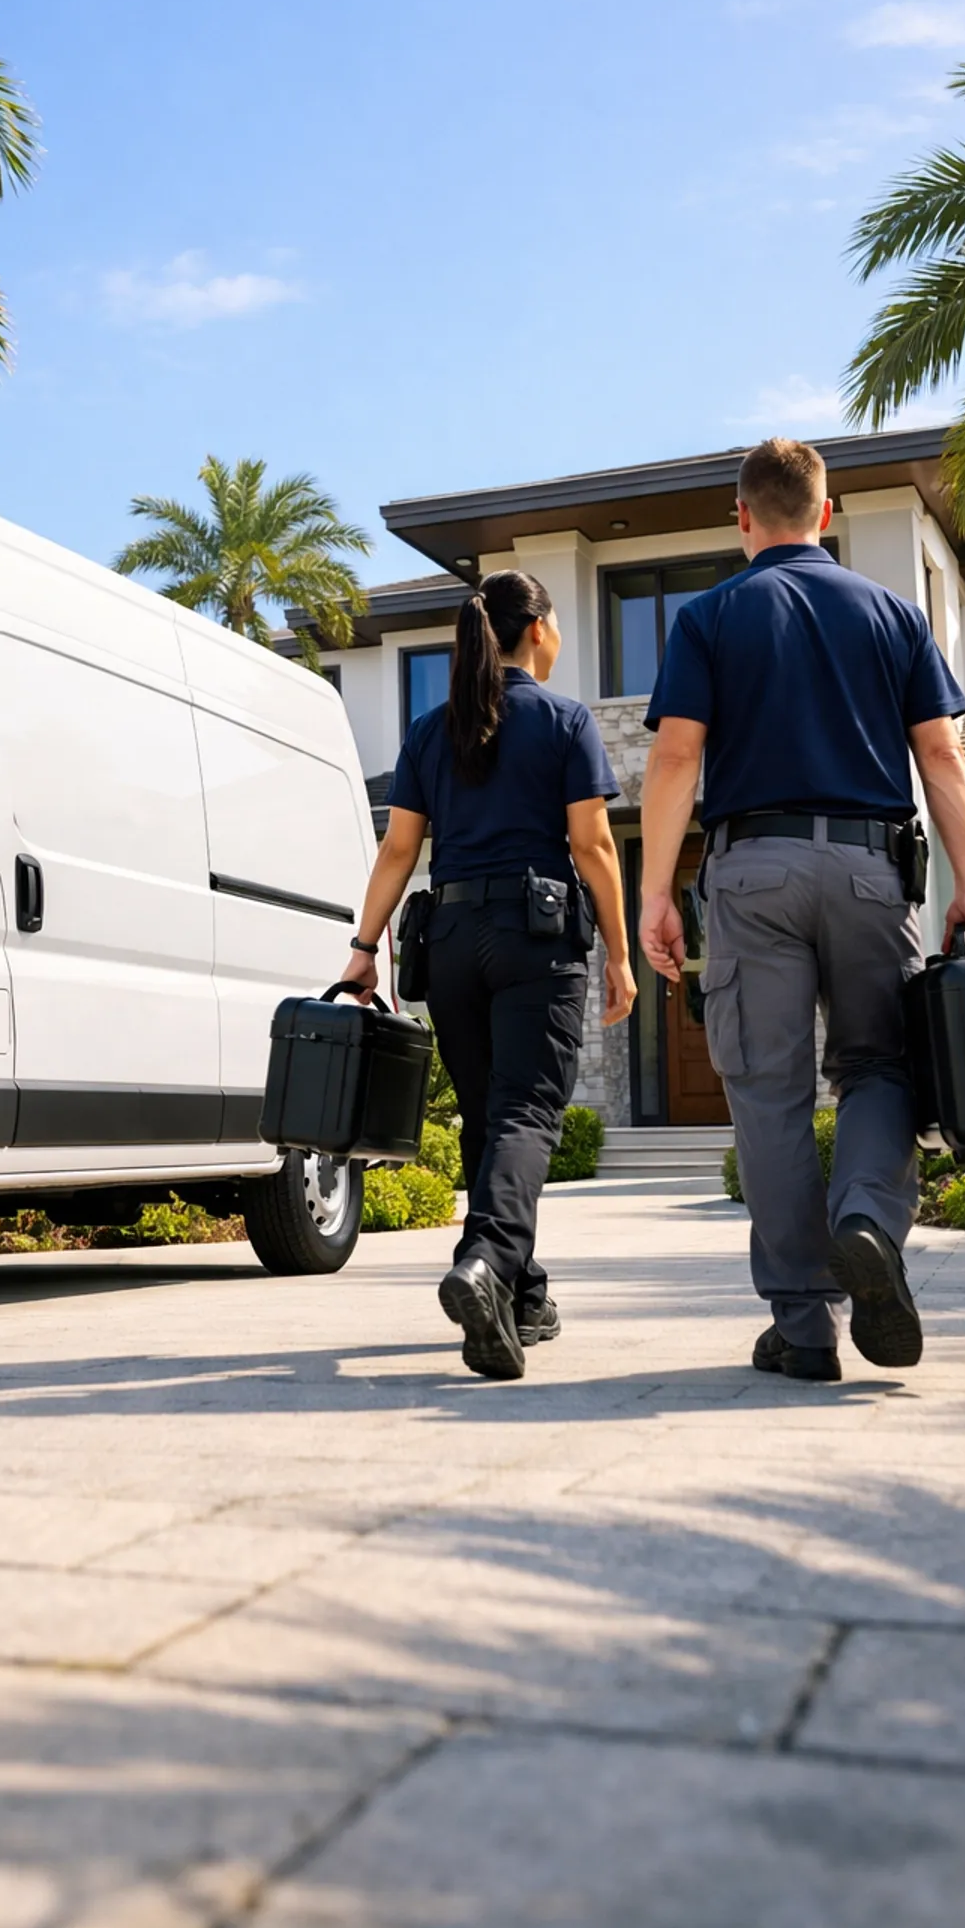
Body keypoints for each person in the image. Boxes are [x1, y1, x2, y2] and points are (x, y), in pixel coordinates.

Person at [638, 437, 965, 1382]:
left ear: (743, 516)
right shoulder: (892, 612)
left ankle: (803, 1327)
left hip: (751, 870)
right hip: (875, 870)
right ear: (825, 515)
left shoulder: (710, 616)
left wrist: (655, 894)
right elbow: (943, 760)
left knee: (767, 1090)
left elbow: (675, 762)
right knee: (880, 1065)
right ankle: (868, 1220)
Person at [339, 570, 636, 1379]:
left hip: (454, 936)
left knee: (487, 1119)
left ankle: (521, 1294)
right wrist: (619, 951)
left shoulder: (433, 729)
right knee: (529, 1112)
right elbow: (594, 846)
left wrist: (364, 949)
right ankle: (485, 1260)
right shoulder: (564, 720)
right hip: (534, 937)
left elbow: (399, 850)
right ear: (537, 629)